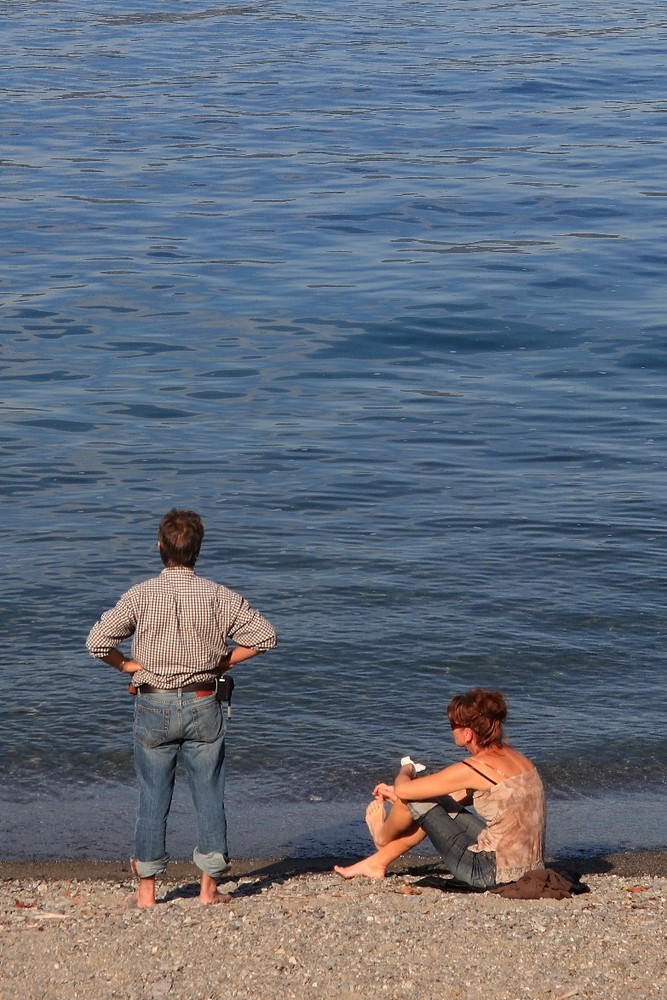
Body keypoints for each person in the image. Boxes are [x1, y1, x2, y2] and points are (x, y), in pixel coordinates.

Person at [86, 508, 277, 908]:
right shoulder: (219, 595)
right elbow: (265, 636)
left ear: (160, 546)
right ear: (198, 550)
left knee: (152, 797)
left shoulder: (140, 594)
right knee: (209, 794)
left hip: (153, 702)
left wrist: (126, 665)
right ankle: (209, 891)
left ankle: (147, 893)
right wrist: (223, 662)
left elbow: (97, 642)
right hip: (204, 701)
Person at [334, 688, 545, 889]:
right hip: (529, 869)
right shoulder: (520, 760)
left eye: (453, 724)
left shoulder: (476, 767)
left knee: (417, 797)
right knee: (424, 797)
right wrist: (403, 799)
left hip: (489, 873)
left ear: (468, 734)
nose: (451, 728)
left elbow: (407, 790)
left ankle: (381, 836)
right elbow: (447, 798)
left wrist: (406, 770)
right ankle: (376, 863)